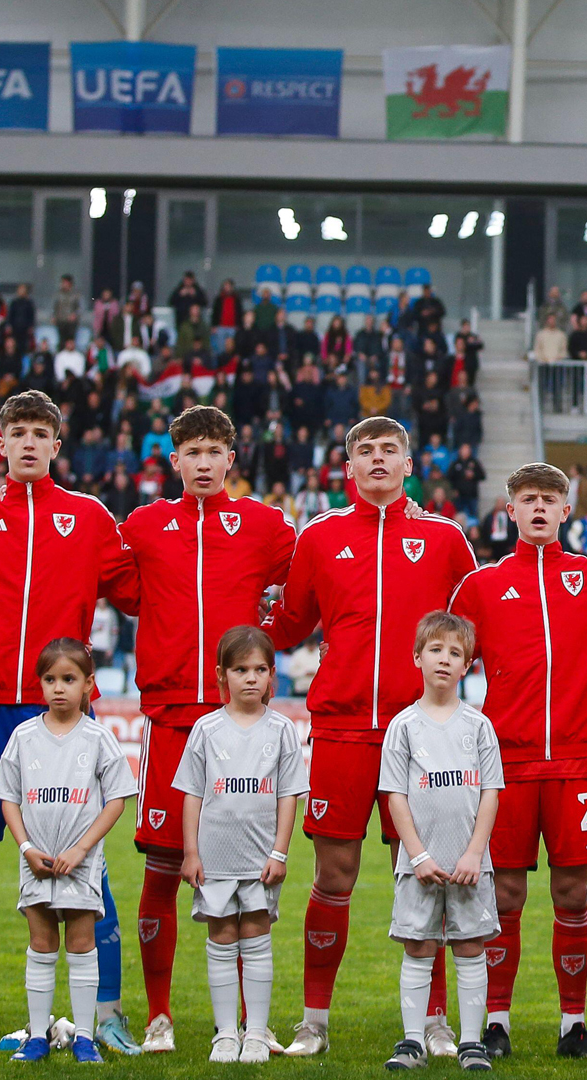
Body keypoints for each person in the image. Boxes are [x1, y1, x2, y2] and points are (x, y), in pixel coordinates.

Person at [0, 390, 140, 1054]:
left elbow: (138, 588)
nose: (30, 443)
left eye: (42, 432)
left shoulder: (90, 518)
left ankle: (108, 1015)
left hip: (64, 716)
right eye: (19, 432)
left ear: (57, 446)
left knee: (88, 871)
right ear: (2, 443)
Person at [261, 416, 476, 1058]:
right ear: (347, 465)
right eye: (365, 451)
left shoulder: (444, 538)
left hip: (425, 733)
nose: (377, 460)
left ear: (409, 464)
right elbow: (290, 622)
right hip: (343, 727)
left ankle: (435, 1021)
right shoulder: (321, 535)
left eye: (390, 451)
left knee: (426, 873)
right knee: (334, 874)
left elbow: (471, 628)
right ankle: (314, 1021)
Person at [104, 405, 296, 1054]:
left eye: (217, 450)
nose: (206, 462)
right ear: (175, 460)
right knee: (162, 869)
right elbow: (120, 589)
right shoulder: (144, 525)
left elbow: (311, 574)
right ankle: (159, 1016)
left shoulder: (267, 526)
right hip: (171, 721)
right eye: (194, 452)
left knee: (246, 878)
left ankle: (250, 1024)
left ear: (232, 461)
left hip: (244, 722)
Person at [449, 462, 587, 1060]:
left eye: (551, 500)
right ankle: (496, 1022)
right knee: (504, 894)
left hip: (580, 764)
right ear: (511, 511)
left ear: (567, 510)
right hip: (508, 764)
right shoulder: (481, 586)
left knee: (573, 894)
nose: (540, 510)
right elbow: (446, 660)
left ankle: (572, 1025)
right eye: (529, 500)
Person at [0, 639, 138, 1064]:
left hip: (81, 865)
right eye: (50, 679)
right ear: (39, 684)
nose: (59, 688)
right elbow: (8, 798)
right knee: (40, 944)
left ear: (89, 684)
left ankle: (85, 1037)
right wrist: (26, 847)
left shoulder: (97, 737)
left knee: (80, 943)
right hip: (36, 863)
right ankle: (37, 1037)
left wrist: (82, 848)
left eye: (69, 679)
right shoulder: (23, 736)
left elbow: (116, 799)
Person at [174, 626, 305, 1065]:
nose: (251, 678)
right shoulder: (206, 729)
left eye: (260, 669)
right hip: (214, 858)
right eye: (240, 669)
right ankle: (226, 1034)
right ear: (221, 675)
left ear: (272, 676)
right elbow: (192, 793)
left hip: (260, 859)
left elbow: (288, 795)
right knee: (221, 937)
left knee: (256, 938)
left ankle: (255, 1034)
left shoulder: (283, 729)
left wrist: (279, 852)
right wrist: (191, 852)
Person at [380, 612, 503, 1072]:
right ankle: (412, 1040)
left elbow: (491, 791)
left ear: (468, 665)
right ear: (417, 657)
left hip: (471, 862)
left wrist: (475, 852)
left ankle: (471, 1042)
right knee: (418, 947)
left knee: (471, 946)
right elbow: (395, 795)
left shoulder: (478, 726)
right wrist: (417, 856)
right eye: (436, 650)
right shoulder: (403, 726)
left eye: (456, 653)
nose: (445, 660)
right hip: (421, 863)